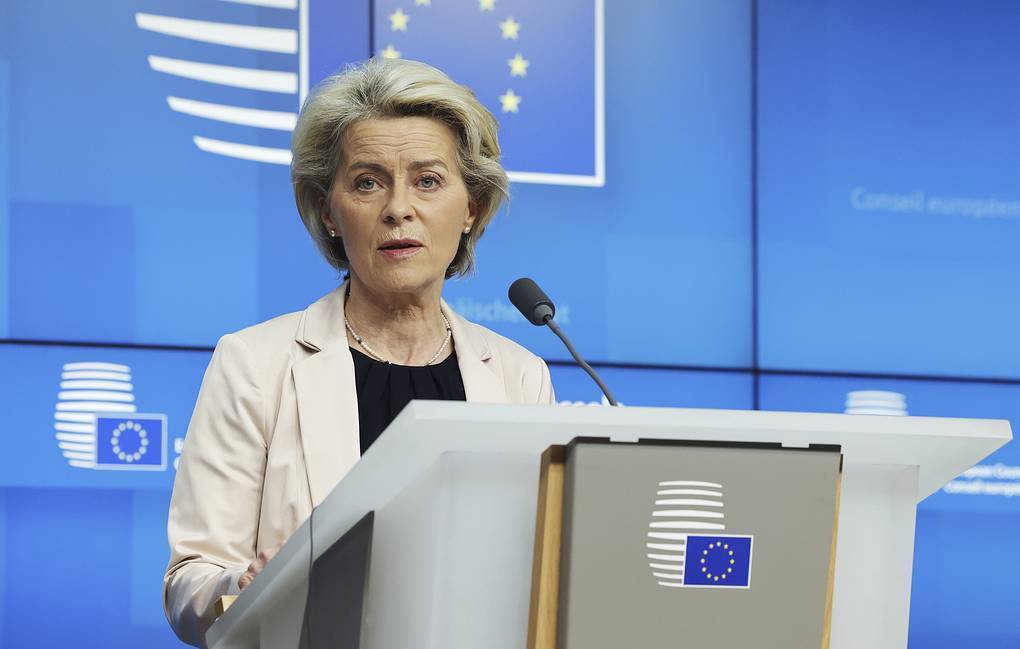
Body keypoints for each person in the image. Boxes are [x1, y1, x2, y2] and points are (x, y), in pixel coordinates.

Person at [163, 58, 556, 647]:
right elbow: (189, 581)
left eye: (428, 181)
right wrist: (241, 587)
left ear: (470, 208)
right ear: (329, 211)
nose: (399, 208)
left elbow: (536, 575)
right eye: (368, 182)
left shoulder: (520, 377)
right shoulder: (255, 364)